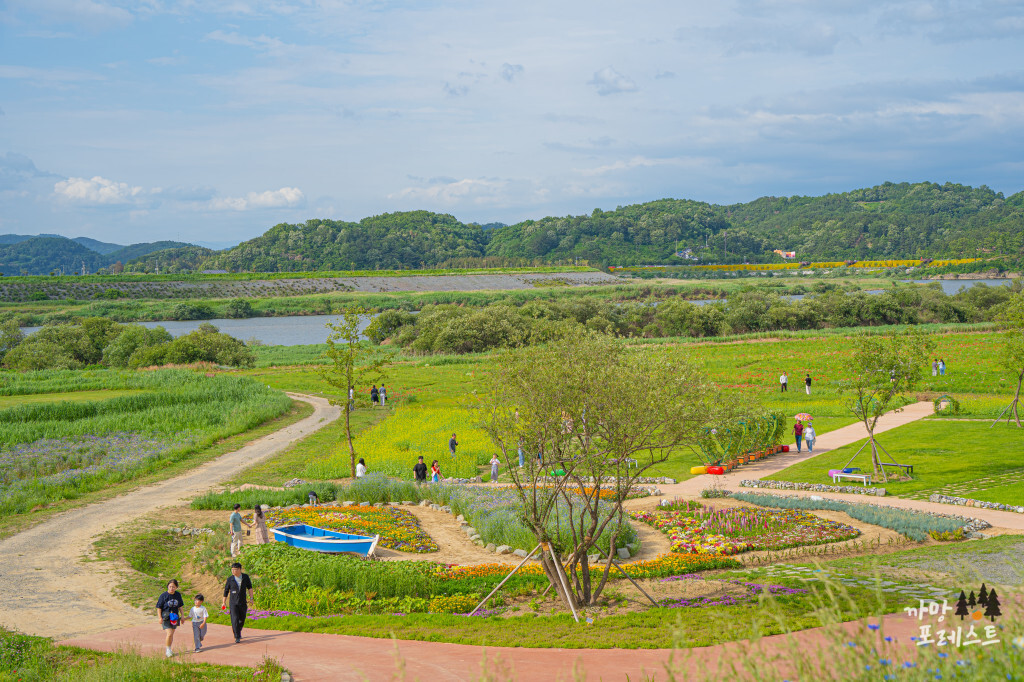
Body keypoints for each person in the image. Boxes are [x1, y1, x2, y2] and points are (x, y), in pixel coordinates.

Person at [222, 562, 254, 644]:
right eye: (232, 570)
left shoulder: (245, 577)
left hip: (243, 602)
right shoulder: (230, 579)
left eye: (235, 569)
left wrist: (251, 598)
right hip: (233, 603)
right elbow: (226, 591)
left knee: (242, 619)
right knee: (234, 619)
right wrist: (223, 602)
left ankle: (238, 631)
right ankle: (237, 636)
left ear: (240, 569)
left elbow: (250, 588)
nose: (233, 571)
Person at [156, 579, 185, 658]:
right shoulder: (163, 595)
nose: (171, 588)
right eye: (170, 586)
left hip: (174, 617)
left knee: (172, 633)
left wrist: (182, 615)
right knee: (169, 633)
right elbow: (159, 607)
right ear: (167, 586)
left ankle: (169, 648)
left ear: (176, 587)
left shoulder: (178, 595)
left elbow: (180, 606)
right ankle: (167, 650)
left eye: (173, 587)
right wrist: (159, 617)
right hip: (166, 617)